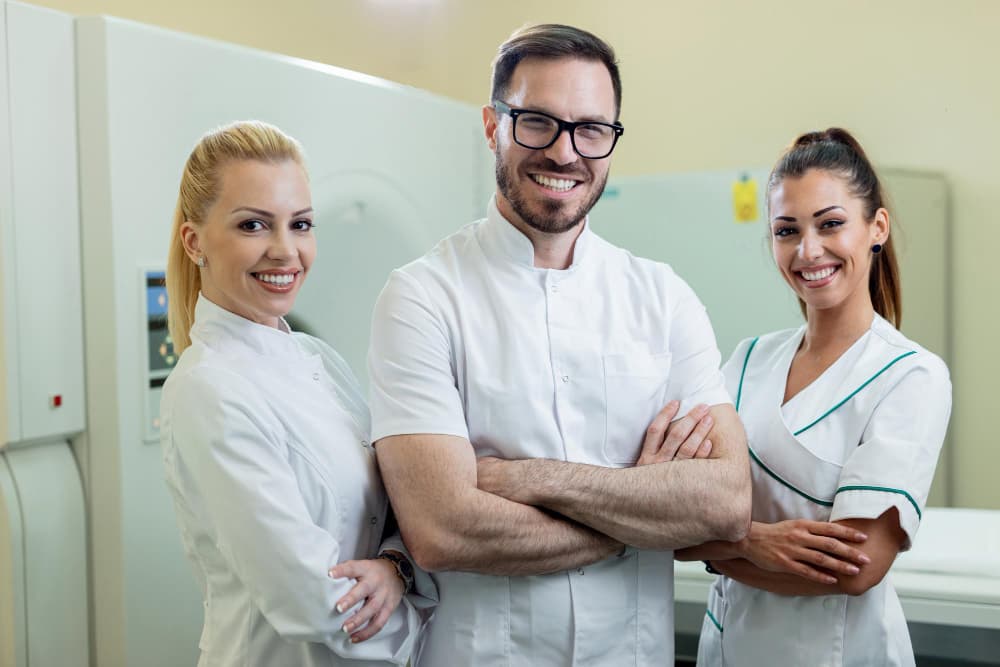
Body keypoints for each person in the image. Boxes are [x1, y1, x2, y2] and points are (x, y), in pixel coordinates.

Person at [367, 25, 752, 666]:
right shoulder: (421, 299)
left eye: (592, 129)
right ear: (493, 126)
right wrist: (642, 507)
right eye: (537, 122)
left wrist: (522, 480)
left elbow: (726, 504)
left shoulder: (663, 298)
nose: (565, 153)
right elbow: (441, 530)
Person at [676, 128, 952, 666]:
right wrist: (755, 541)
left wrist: (719, 541)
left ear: (877, 227)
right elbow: (674, 528)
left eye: (830, 224)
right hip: (730, 645)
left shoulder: (909, 374)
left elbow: (857, 569)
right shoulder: (748, 360)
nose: (808, 250)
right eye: (786, 231)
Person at [160, 121, 429, 667]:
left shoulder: (316, 358)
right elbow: (316, 604)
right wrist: (440, 630)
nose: (286, 251)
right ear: (195, 242)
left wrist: (396, 567)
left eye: (300, 224)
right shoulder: (206, 388)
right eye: (254, 225)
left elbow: (396, 508)